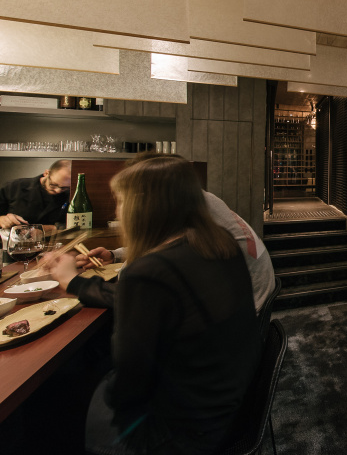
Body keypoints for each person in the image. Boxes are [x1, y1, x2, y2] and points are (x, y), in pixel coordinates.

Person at [44, 156, 260, 455]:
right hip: (233, 406)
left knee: (56, 401)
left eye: (121, 201)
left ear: (142, 206)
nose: (118, 210)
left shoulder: (150, 272)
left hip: (183, 432)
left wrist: (72, 281)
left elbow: (128, 389)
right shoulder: (219, 243)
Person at [65, 153, 276, 314]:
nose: (120, 210)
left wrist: (71, 280)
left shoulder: (187, 209)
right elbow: (163, 249)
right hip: (242, 304)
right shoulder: (195, 201)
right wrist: (115, 255)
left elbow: (134, 289)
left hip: (246, 305)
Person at [0, 159, 70, 230]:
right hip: (12, 236)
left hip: (53, 237)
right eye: (53, 185)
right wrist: (2, 219)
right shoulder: (14, 187)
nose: (58, 190)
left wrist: (45, 229)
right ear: (46, 173)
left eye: (64, 188)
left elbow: (71, 225)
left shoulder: (70, 196)